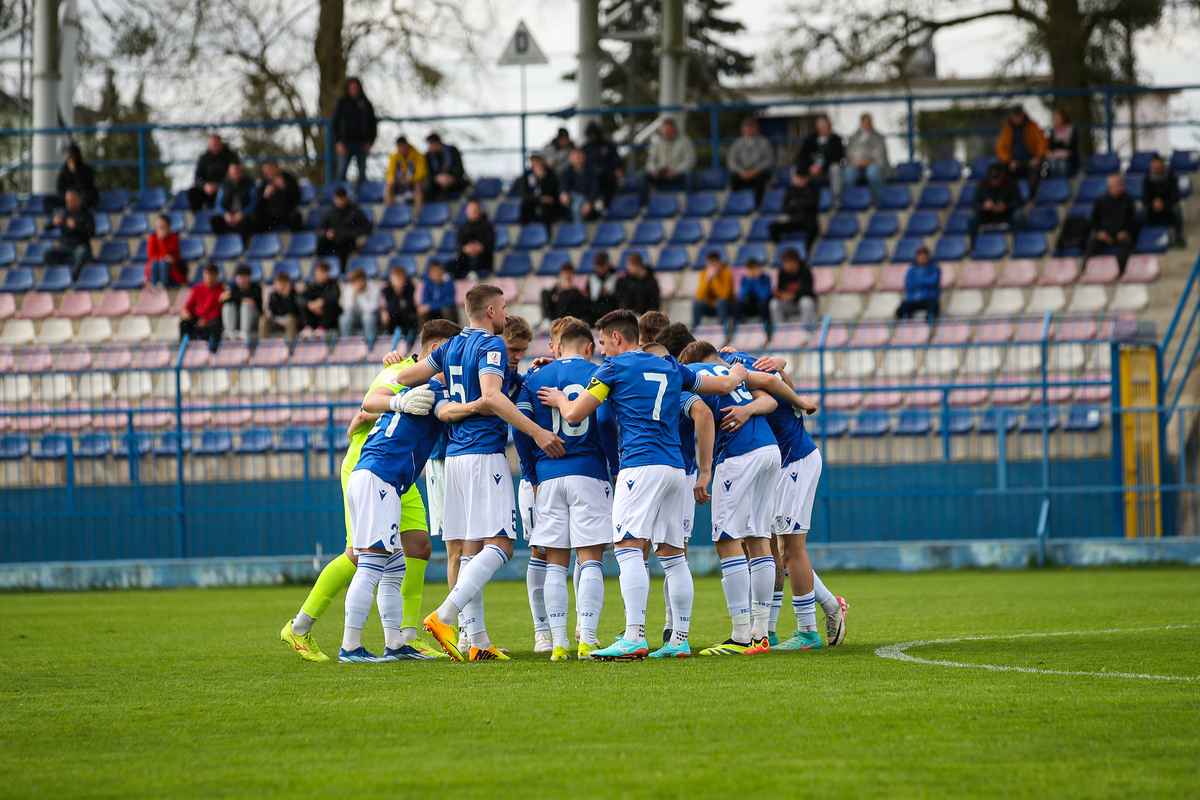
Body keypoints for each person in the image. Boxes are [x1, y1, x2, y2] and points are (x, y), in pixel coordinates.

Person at [537, 309, 751, 659]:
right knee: (672, 554)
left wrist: (561, 398)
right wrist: (738, 372)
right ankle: (679, 640)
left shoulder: (614, 367)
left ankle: (635, 635)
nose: (603, 350)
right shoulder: (670, 366)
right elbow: (724, 385)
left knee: (627, 546)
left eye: (604, 342)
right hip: (674, 468)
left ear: (618, 338)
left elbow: (575, 414)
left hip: (640, 465)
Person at [391, 285, 566, 662]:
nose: (505, 313)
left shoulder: (450, 346)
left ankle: (478, 642)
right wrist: (537, 432)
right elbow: (490, 396)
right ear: (490, 310)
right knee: (501, 545)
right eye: (503, 307)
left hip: (452, 457)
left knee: (470, 548)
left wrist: (398, 364)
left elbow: (407, 379)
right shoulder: (492, 344)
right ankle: (445, 616)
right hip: (483, 455)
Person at [281, 319, 463, 662]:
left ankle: (400, 641)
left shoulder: (426, 378)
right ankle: (326, 636)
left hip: (394, 474)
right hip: (372, 467)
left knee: (408, 554)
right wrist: (393, 405)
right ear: (440, 351)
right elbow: (370, 403)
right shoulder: (407, 373)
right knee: (366, 557)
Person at [718, 349, 846, 651]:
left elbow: (772, 390)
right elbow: (778, 366)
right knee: (773, 548)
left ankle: (807, 632)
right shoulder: (739, 361)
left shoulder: (734, 372)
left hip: (795, 459)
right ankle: (776, 628)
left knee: (790, 550)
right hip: (780, 462)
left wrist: (798, 400)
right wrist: (780, 363)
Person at [515, 321, 620, 660]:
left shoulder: (536, 378)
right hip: (589, 474)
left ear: (558, 346)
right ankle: (587, 639)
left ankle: (558, 642)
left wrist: (532, 473)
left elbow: (519, 429)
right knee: (590, 560)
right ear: (590, 347)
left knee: (555, 563)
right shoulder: (600, 373)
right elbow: (604, 422)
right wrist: (612, 467)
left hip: (548, 477)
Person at [677, 340, 781, 655]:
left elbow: (703, 419)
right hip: (769, 450)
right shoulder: (730, 368)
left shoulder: (691, 373)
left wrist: (705, 472)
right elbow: (771, 398)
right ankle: (760, 634)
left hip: (738, 455)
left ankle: (739, 635)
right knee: (759, 537)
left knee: (726, 538)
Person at [1084, 174, 1139, 274]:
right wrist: (1099, 232)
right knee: (1091, 243)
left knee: (1126, 242)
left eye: (1122, 184)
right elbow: (1093, 220)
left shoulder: (1127, 199)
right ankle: (1086, 271)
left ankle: (1120, 272)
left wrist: (1126, 232)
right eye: (1119, 184)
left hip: (1120, 235)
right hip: (1105, 236)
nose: (1122, 187)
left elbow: (1133, 220)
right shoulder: (1101, 200)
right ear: (1110, 187)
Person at [332, 77, 377, 187]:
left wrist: (371, 141)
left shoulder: (366, 104)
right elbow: (334, 124)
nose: (354, 89)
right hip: (345, 144)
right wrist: (338, 142)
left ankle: (361, 198)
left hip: (362, 144)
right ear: (347, 88)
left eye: (356, 87)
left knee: (362, 175)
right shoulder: (342, 103)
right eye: (352, 87)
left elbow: (373, 124)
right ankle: (340, 198)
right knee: (341, 173)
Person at [638, 118, 696, 205]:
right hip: (660, 175)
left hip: (678, 175)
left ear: (674, 130)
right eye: (664, 130)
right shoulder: (657, 143)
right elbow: (650, 162)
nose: (665, 133)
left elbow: (690, 161)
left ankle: (692, 205)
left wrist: (675, 171)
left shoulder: (685, 141)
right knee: (641, 175)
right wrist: (655, 171)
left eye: (668, 130)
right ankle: (644, 207)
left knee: (689, 174)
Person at [968, 163, 1025, 246]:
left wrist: (1006, 206)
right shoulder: (983, 185)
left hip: (1006, 214)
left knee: (1018, 214)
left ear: (1002, 175)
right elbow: (975, 203)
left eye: (997, 177)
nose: (994, 181)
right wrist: (984, 206)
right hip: (987, 215)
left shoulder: (1011, 184)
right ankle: (974, 246)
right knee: (971, 216)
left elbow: (1019, 201)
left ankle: (1018, 245)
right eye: (992, 178)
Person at [316, 186, 372, 269]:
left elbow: (368, 226)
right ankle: (320, 267)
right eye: (338, 199)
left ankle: (342, 269)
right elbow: (320, 228)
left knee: (343, 241)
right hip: (333, 239)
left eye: (342, 199)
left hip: (347, 238)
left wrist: (356, 233)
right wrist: (327, 233)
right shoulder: (330, 211)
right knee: (321, 241)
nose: (340, 202)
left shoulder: (355, 210)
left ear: (346, 198)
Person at [996, 105, 1047, 195]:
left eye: (1019, 115)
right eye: (1015, 116)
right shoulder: (1007, 128)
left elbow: (1042, 142)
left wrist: (1038, 156)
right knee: (997, 167)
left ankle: (1029, 194)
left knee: (1037, 168)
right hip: (1013, 161)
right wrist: (1009, 160)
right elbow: (1000, 148)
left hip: (1030, 160)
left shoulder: (1032, 126)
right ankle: (1004, 195)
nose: (1017, 118)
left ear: (1023, 115)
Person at [44, 189, 94, 280]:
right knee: (47, 254)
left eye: (71, 201)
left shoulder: (86, 214)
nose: (68, 204)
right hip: (65, 247)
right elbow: (46, 228)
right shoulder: (64, 213)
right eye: (67, 202)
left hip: (80, 246)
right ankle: (61, 274)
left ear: (79, 200)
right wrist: (53, 222)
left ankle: (74, 276)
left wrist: (75, 226)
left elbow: (91, 232)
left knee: (82, 252)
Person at [796, 116, 845, 202]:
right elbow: (802, 156)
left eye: (831, 126)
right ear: (820, 128)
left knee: (835, 168)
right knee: (795, 170)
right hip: (811, 171)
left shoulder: (836, 140)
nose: (830, 129)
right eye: (828, 127)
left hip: (827, 170)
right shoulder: (810, 140)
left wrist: (821, 166)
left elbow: (838, 157)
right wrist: (809, 167)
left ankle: (835, 199)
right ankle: (798, 198)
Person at [727, 118, 775, 206]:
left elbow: (769, 159)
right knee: (734, 178)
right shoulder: (737, 143)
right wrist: (740, 171)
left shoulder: (764, 142)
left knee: (762, 178)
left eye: (752, 127)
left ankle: (757, 205)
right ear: (742, 129)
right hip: (742, 172)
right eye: (747, 127)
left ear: (757, 128)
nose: (749, 129)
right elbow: (731, 160)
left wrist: (756, 170)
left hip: (758, 172)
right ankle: (737, 204)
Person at [842, 113, 890, 201]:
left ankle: (879, 199)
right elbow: (849, 154)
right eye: (867, 122)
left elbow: (880, 154)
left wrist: (868, 161)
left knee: (873, 172)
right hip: (856, 165)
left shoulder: (878, 137)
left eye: (870, 122)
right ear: (861, 123)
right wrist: (856, 161)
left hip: (873, 164)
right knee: (848, 172)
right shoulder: (853, 137)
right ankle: (852, 200)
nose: (869, 124)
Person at [187, 134, 240, 212]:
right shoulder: (204, 158)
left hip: (225, 189)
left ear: (222, 143)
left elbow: (235, 175)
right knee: (193, 192)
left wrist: (220, 186)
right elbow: (197, 177)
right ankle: (198, 217)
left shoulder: (231, 156)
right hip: (207, 191)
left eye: (217, 144)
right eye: (213, 145)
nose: (215, 147)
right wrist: (205, 186)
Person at [769, 169, 821, 245]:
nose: (800, 180)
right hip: (794, 221)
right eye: (798, 178)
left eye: (802, 178)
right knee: (772, 227)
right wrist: (801, 204)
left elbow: (812, 204)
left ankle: (805, 252)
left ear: (807, 178)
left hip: (808, 222)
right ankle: (782, 247)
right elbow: (785, 207)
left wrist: (795, 203)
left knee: (813, 229)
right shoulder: (791, 190)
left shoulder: (814, 189)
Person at [180, 262, 225, 351]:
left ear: (216, 276)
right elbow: (189, 305)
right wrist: (185, 311)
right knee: (184, 323)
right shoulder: (197, 289)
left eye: (212, 274)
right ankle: (184, 349)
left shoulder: (220, 291)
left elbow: (217, 310)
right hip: (198, 318)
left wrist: (206, 319)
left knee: (215, 324)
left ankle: (213, 350)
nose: (209, 277)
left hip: (211, 320)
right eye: (208, 274)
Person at [1142, 155, 1184, 247]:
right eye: (1155, 166)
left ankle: (1178, 237)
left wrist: (1163, 203)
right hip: (1152, 207)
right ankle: (1147, 236)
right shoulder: (1147, 178)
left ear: (1163, 165)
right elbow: (1145, 197)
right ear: (1151, 166)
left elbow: (1175, 196)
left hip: (1168, 206)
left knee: (1177, 208)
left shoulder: (1172, 177)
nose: (1157, 168)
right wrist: (1154, 203)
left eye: (1159, 166)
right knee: (1144, 211)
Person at [210, 162, 257, 244]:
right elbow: (218, 204)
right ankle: (224, 243)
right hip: (229, 216)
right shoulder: (224, 185)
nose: (237, 175)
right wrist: (226, 214)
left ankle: (242, 245)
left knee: (248, 221)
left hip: (243, 216)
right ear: (229, 174)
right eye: (235, 173)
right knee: (214, 220)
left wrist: (242, 214)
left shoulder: (249, 184)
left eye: (239, 172)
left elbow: (253, 203)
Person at [770, 248, 817, 328]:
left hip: (803, 303)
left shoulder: (806, 271)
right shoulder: (782, 273)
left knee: (805, 302)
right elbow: (781, 289)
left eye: (786, 262)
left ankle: (807, 332)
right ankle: (779, 331)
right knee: (774, 303)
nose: (784, 265)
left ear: (794, 262)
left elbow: (808, 291)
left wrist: (794, 296)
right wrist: (781, 295)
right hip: (789, 304)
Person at [252, 160, 302, 233]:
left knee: (295, 217)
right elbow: (258, 204)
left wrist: (283, 189)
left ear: (276, 168)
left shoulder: (288, 179)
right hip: (270, 214)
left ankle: (298, 242)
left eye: (268, 171)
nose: (266, 174)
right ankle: (259, 243)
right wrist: (265, 195)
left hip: (286, 213)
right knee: (255, 219)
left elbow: (296, 196)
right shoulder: (264, 182)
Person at [450, 199, 495, 280]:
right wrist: (466, 248)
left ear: (480, 210)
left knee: (475, 257)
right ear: (467, 211)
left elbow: (490, 241)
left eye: (476, 209)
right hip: (465, 259)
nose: (474, 211)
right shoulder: (463, 227)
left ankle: (473, 274)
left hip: (483, 258)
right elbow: (459, 243)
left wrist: (480, 247)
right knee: (450, 266)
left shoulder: (488, 226)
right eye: (472, 209)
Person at [894, 245, 941, 321]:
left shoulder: (935, 269)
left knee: (933, 309)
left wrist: (918, 279)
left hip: (928, 298)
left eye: (924, 256)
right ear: (917, 257)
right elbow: (908, 285)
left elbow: (933, 282)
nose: (922, 258)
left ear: (928, 256)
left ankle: (926, 326)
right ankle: (913, 323)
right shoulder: (912, 270)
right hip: (912, 299)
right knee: (900, 312)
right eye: (920, 256)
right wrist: (925, 282)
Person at [582, 121, 622, 208]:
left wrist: (618, 169)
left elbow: (615, 159)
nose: (592, 136)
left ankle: (606, 204)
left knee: (610, 180)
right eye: (590, 134)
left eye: (593, 134)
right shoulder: (586, 148)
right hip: (590, 176)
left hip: (607, 174)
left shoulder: (608, 145)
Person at [49, 143, 98, 213]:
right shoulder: (64, 170)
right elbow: (59, 187)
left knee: (83, 198)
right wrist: (69, 194)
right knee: (47, 200)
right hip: (67, 197)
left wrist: (75, 172)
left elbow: (85, 186)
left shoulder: (86, 169)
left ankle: (79, 217)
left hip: (81, 196)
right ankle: (54, 219)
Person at [692, 250, 734, 332]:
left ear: (720, 263)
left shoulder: (727, 273)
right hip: (711, 305)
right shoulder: (704, 273)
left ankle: (723, 331)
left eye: (715, 264)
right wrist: (706, 280)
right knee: (696, 304)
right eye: (711, 264)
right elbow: (700, 296)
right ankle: (695, 330)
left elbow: (724, 295)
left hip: (726, 305)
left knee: (721, 302)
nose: (713, 267)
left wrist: (715, 279)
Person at [339, 267, 381, 346]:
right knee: (344, 319)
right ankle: (347, 345)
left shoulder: (374, 287)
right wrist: (355, 295)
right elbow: (347, 309)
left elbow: (372, 308)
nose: (355, 284)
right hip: (355, 317)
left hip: (372, 316)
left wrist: (360, 295)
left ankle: (370, 346)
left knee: (368, 317)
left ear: (363, 279)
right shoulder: (350, 287)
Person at [220, 263, 263, 341]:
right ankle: (229, 332)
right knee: (228, 305)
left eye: (244, 276)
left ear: (249, 277)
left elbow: (254, 304)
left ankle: (244, 333)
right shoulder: (234, 289)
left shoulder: (256, 289)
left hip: (255, 319)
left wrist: (239, 299)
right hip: (238, 319)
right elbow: (227, 300)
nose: (242, 279)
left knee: (246, 306)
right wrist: (242, 299)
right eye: (239, 277)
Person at [384, 136, 427, 211]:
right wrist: (392, 179)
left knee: (418, 185)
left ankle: (418, 213)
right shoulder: (393, 157)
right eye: (399, 148)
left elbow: (421, 174)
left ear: (407, 145)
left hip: (413, 182)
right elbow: (389, 173)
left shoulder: (418, 155)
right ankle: (391, 212)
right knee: (388, 186)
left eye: (403, 148)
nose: (402, 151)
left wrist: (409, 180)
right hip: (399, 182)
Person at [736, 258, 773, 344]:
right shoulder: (745, 279)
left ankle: (767, 334)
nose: (753, 271)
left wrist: (756, 280)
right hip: (750, 305)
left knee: (763, 305)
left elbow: (763, 296)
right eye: (750, 268)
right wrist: (749, 281)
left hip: (762, 305)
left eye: (755, 268)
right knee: (738, 305)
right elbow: (741, 296)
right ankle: (737, 332)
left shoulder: (766, 278)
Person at [518, 154, 560, 230]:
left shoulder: (550, 174)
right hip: (534, 201)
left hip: (549, 204)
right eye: (534, 163)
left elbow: (551, 192)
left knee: (546, 207)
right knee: (524, 206)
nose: (536, 166)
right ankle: (524, 231)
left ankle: (547, 235)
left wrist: (541, 179)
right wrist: (540, 199)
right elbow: (525, 195)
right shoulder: (527, 175)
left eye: (538, 162)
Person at [145, 214, 188, 288]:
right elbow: (151, 255)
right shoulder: (152, 237)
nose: (160, 229)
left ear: (168, 228)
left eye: (163, 227)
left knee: (164, 263)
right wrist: (163, 257)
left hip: (171, 268)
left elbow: (170, 254)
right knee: (155, 262)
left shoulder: (174, 237)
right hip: (156, 267)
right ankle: (153, 286)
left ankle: (162, 286)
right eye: (158, 227)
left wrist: (162, 241)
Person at [559, 147, 600, 224]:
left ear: (584, 157)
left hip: (586, 200)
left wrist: (588, 201)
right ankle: (578, 232)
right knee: (574, 199)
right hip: (571, 199)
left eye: (579, 156)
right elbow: (563, 186)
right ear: (571, 158)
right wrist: (563, 192)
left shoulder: (591, 171)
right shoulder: (566, 172)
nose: (577, 158)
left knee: (577, 206)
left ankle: (578, 233)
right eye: (575, 156)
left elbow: (594, 189)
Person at [381, 265, 419, 347]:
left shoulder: (410, 287)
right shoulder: (387, 289)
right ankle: (390, 342)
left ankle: (409, 343)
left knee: (407, 316)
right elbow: (390, 307)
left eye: (402, 278)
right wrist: (397, 293)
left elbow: (410, 306)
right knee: (391, 316)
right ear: (392, 279)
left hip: (408, 314)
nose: (401, 281)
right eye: (398, 278)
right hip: (395, 315)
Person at [424, 133, 468, 202]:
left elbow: (460, 170)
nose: (430, 147)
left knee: (462, 183)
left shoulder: (452, 150)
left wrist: (451, 178)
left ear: (438, 143)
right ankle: (431, 208)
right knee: (428, 186)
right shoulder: (429, 155)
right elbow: (429, 174)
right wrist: (438, 178)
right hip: (437, 182)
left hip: (453, 181)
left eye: (431, 144)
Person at [259, 271, 302, 342]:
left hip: (291, 322)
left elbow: (292, 312)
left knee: (289, 318)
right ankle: (265, 345)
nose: (281, 286)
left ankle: (291, 347)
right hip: (277, 322)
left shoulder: (294, 295)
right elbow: (269, 309)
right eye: (279, 283)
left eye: (283, 283)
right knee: (263, 320)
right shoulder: (273, 295)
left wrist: (286, 297)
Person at [301, 261, 341, 334]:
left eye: (325, 272)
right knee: (304, 306)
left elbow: (335, 297)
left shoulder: (333, 284)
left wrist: (322, 302)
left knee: (331, 307)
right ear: (316, 273)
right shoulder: (312, 285)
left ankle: (321, 328)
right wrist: (310, 304)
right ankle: (308, 328)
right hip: (314, 315)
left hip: (328, 317)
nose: (324, 275)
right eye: (321, 272)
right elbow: (300, 298)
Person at [1046, 108, 1080, 179]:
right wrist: (1063, 143)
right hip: (1055, 157)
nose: (1057, 120)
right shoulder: (1053, 131)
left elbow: (1073, 146)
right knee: (1053, 165)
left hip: (1069, 158)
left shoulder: (1072, 129)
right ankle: (1055, 186)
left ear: (1064, 118)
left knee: (1062, 165)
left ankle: (1063, 186)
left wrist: (1059, 144)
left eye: (1058, 118)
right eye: (1055, 118)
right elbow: (1051, 146)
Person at [587, 251, 620, 323]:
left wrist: (611, 294)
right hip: (594, 309)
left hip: (610, 307)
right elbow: (590, 295)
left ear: (607, 264)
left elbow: (620, 296)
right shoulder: (592, 278)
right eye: (598, 268)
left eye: (602, 267)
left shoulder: (616, 277)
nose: (600, 270)